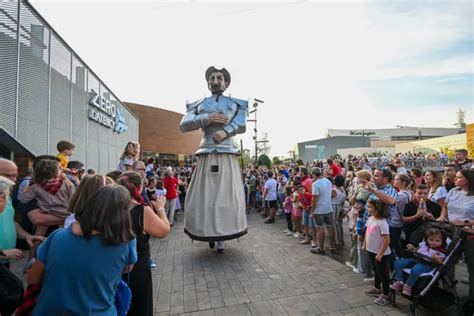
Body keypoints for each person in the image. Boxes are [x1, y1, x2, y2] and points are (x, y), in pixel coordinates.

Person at [26, 185, 138, 315]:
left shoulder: (57, 236)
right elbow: (127, 268)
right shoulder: (125, 242)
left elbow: (32, 279)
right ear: (124, 214)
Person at [179, 66, 248, 253]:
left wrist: (225, 131)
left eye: (219, 77)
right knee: (205, 198)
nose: (215, 81)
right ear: (207, 82)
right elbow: (184, 125)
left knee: (226, 197)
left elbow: (242, 123)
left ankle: (221, 238)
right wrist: (206, 118)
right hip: (206, 152)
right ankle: (208, 232)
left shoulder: (238, 103)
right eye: (211, 77)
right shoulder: (198, 104)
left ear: (226, 82)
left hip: (227, 152)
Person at [117, 172, 170, 316]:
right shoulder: (141, 210)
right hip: (136, 267)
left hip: (112, 265)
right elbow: (163, 231)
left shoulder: (109, 207)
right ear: (139, 188)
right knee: (139, 306)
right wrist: (160, 208)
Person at [20, 159, 75, 237]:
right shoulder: (67, 184)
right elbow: (74, 198)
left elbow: (23, 199)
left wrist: (29, 185)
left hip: (48, 214)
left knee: (39, 234)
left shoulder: (35, 187)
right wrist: (66, 180)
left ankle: (34, 248)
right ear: (57, 173)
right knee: (64, 235)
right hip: (66, 213)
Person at [0, 176, 45, 269]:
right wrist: (2, 253)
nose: (15, 178)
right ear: (2, 198)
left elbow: (12, 223)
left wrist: (27, 236)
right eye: (7, 194)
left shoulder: (9, 201)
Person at [391, 228, 447, 296]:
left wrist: (437, 258)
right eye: (431, 240)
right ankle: (400, 281)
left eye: (437, 241)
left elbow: (441, 262)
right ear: (427, 239)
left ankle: (408, 286)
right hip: (415, 259)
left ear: (442, 241)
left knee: (415, 270)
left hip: (426, 264)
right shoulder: (424, 244)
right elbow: (417, 250)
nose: (434, 242)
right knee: (397, 263)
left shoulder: (441, 251)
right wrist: (412, 248)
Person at [363, 200, 391, 306]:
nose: (368, 209)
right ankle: (377, 288)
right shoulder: (371, 219)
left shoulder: (382, 223)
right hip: (372, 250)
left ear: (377, 209)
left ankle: (386, 294)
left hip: (380, 253)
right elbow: (367, 232)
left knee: (383, 274)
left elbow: (387, 240)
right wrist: (365, 244)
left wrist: (380, 253)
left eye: (370, 207)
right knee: (376, 271)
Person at [310, 167, 335, 254]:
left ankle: (321, 248)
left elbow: (314, 199)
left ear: (314, 174)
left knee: (319, 229)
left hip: (320, 209)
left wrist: (312, 211)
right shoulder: (328, 181)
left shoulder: (315, 184)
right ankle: (332, 246)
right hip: (329, 208)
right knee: (330, 227)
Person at [332, 175, 346, 248]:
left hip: (334, 207)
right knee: (339, 225)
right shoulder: (343, 189)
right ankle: (341, 240)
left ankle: (337, 241)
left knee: (335, 224)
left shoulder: (333, 190)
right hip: (340, 206)